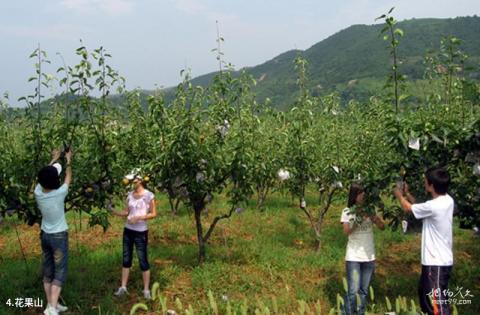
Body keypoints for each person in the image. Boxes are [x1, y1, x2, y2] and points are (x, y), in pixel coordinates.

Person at [394, 167, 454, 315]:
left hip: (436, 263)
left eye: (425, 181)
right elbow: (419, 208)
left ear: (431, 185)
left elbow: (409, 208)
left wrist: (399, 195)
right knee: (426, 297)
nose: (424, 182)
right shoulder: (447, 201)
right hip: (439, 262)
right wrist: (407, 194)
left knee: (436, 306)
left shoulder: (434, 206)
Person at [35, 148, 73, 315]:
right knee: (60, 271)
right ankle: (51, 308)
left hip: (45, 236)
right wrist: (68, 160)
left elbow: (43, 177)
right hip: (58, 236)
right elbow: (68, 178)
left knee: (48, 271)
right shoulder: (59, 193)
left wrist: (53, 159)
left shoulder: (38, 193)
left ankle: (52, 304)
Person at [111, 171, 157, 299]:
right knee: (126, 258)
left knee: (143, 259)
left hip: (141, 232)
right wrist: (112, 211)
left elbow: (153, 213)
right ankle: (123, 287)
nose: (132, 183)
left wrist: (139, 218)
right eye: (131, 181)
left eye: (134, 181)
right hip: (128, 230)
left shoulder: (149, 195)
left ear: (141, 180)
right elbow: (126, 212)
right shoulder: (130, 195)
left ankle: (146, 290)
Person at [341, 183, 385, 315]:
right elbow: (347, 231)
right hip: (353, 256)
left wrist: (375, 219)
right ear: (354, 195)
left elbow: (383, 227)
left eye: (364, 193)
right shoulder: (347, 211)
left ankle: (360, 312)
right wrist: (359, 220)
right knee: (353, 291)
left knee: (364, 291)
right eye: (360, 193)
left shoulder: (371, 209)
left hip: (369, 255)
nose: (363, 195)